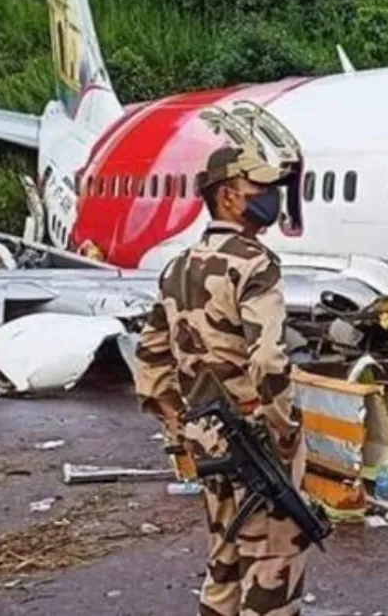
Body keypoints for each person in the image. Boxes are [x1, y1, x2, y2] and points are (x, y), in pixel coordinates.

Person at [134, 144, 310, 616]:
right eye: (260, 189)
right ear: (229, 196)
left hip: (209, 437)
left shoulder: (178, 266)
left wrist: (179, 426)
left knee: (226, 554)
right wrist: (284, 430)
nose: (270, 198)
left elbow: (150, 358)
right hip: (255, 433)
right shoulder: (254, 263)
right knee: (273, 563)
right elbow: (269, 360)